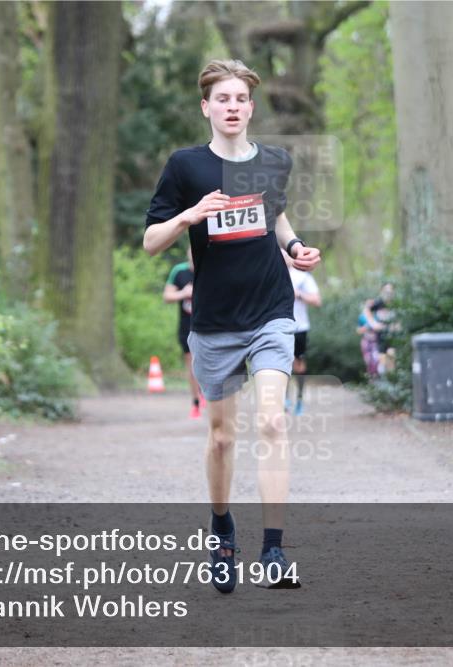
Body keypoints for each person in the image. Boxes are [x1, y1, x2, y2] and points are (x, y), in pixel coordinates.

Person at [143, 59, 321, 593]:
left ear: (251, 107)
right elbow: (151, 241)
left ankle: (273, 549)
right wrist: (189, 215)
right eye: (222, 98)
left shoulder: (274, 162)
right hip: (216, 319)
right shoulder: (186, 166)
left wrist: (294, 247)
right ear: (206, 107)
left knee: (272, 422)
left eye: (241, 99)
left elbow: (276, 215)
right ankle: (222, 528)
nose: (232, 107)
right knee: (222, 437)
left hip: (271, 308)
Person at [163, 246, 201, 418]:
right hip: (187, 327)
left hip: (211, 326)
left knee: (208, 365)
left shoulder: (210, 267)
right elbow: (167, 296)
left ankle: (206, 394)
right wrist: (183, 293)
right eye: (190, 252)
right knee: (192, 365)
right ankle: (196, 402)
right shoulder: (179, 271)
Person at [283, 249, 321, 415]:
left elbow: (317, 300)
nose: (282, 257)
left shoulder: (302, 276)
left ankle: (299, 400)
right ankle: (284, 399)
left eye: (285, 253)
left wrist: (298, 294)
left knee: (298, 364)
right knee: (281, 364)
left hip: (299, 327)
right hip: (279, 327)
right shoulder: (272, 274)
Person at [359, 283, 396, 377]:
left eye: (390, 290)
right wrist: (373, 323)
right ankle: (383, 379)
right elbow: (366, 310)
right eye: (386, 290)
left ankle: (392, 379)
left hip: (393, 337)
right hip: (381, 336)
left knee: (391, 357)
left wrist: (396, 325)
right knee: (382, 360)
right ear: (382, 291)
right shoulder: (379, 303)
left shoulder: (396, 303)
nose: (388, 292)